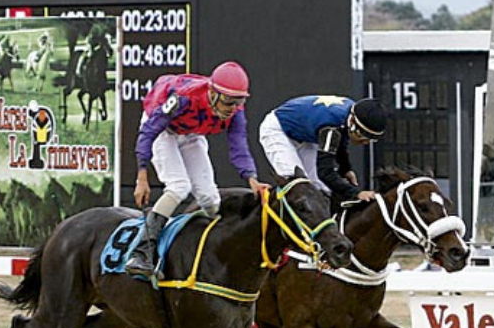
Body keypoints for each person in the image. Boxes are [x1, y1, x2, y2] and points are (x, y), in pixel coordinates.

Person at [127, 61, 267, 277]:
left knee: (210, 199)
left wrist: (252, 179)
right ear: (212, 93)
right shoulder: (183, 98)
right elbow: (149, 131)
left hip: (190, 132)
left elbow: (238, 146)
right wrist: (142, 175)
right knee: (179, 186)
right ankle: (141, 252)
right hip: (162, 129)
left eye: (238, 102)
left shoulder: (236, 112)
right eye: (229, 102)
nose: (232, 109)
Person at [258, 94, 388, 204]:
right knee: (298, 186)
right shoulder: (331, 128)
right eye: (363, 137)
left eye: (371, 139)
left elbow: (341, 143)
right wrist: (356, 193)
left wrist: (345, 169)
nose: (365, 142)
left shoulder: (352, 115)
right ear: (353, 123)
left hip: (306, 135)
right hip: (278, 130)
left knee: (321, 188)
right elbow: (324, 172)